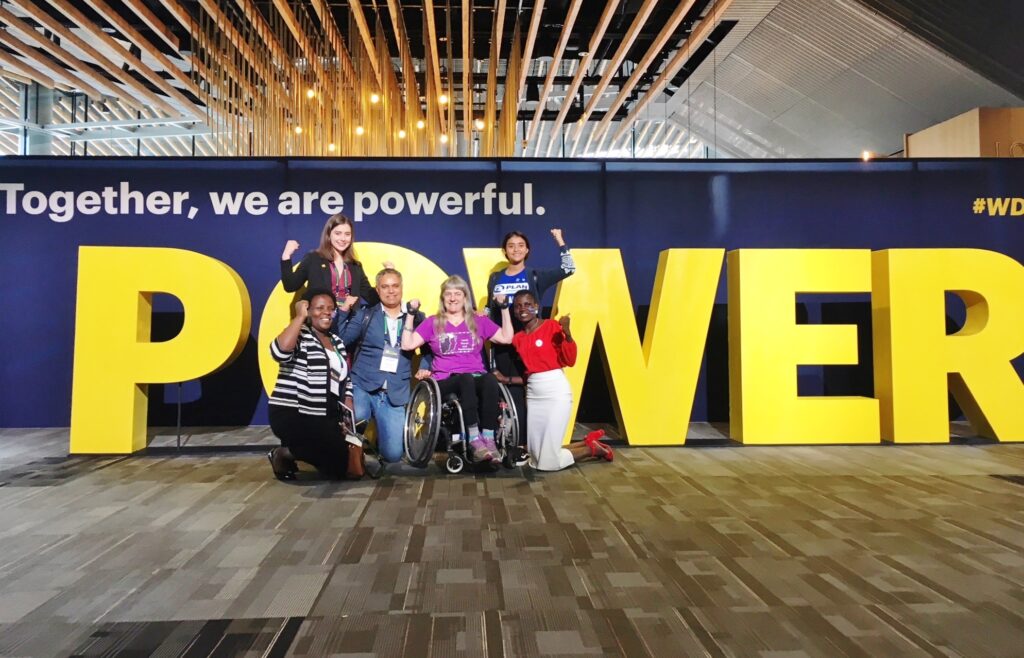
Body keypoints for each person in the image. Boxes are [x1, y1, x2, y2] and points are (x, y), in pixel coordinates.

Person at [487, 228, 576, 463]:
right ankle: (509, 443)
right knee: (504, 392)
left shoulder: (535, 275)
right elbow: (489, 309)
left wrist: (560, 241)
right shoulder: (495, 278)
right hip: (504, 344)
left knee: (525, 390)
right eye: (511, 245)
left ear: (527, 250)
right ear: (504, 250)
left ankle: (524, 445)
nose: (515, 249)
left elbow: (569, 269)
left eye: (520, 245)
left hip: (528, 344)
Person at [401, 275, 514, 462]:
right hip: (444, 381)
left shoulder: (479, 321)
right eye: (448, 294)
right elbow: (407, 344)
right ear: (442, 298)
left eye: (458, 293)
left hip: (475, 376)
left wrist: (504, 309)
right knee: (465, 378)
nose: (453, 298)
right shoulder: (433, 322)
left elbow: (506, 338)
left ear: (465, 297)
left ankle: (488, 437)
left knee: (489, 379)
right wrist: (411, 314)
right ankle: (474, 438)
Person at [510, 290, 612, 470]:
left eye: (527, 304)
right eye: (518, 306)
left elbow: (570, 360)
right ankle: (585, 443)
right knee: (535, 459)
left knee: (547, 463)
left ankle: (592, 449)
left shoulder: (551, 327)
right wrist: (507, 379)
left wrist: (567, 333)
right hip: (534, 395)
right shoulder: (518, 339)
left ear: (536, 307)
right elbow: (530, 371)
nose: (522, 309)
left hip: (556, 391)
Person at [266, 288, 361, 480]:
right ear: (308, 310)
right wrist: (299, 318)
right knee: (313, 441)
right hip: (293, 411)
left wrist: (348, 405)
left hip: (324, 415)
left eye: (330, 308)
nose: (326, 312)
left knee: (339, 468)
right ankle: (282, 454)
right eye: (319, 308)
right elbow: (279, 353)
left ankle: (301, 453)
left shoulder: (337, 342)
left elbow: (345, 379)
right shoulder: (300, 335)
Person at [340, 268, 432, 465]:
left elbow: (428, 351)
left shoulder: (416, 317)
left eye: (395, 286)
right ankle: (349, 454)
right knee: (359, 416)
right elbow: (343, 339)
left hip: (395, 392)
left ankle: (375, 443)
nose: (391, 291)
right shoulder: (365, 315)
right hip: (363, 384)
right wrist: (343, 312)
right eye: (385, 287)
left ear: (401, 287)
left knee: (393, 455)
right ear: (378, 290)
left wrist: (424, 366)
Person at [280, 214, 379, 327]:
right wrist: (286, 256)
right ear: (328, 234)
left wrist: (387, 277)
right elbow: (290, 285)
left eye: (347, 234)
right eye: (338, 233)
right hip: (319, 324)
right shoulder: (314, 258)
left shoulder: (355, 266)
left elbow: (371, 297)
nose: (343, 238)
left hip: (348, 327)